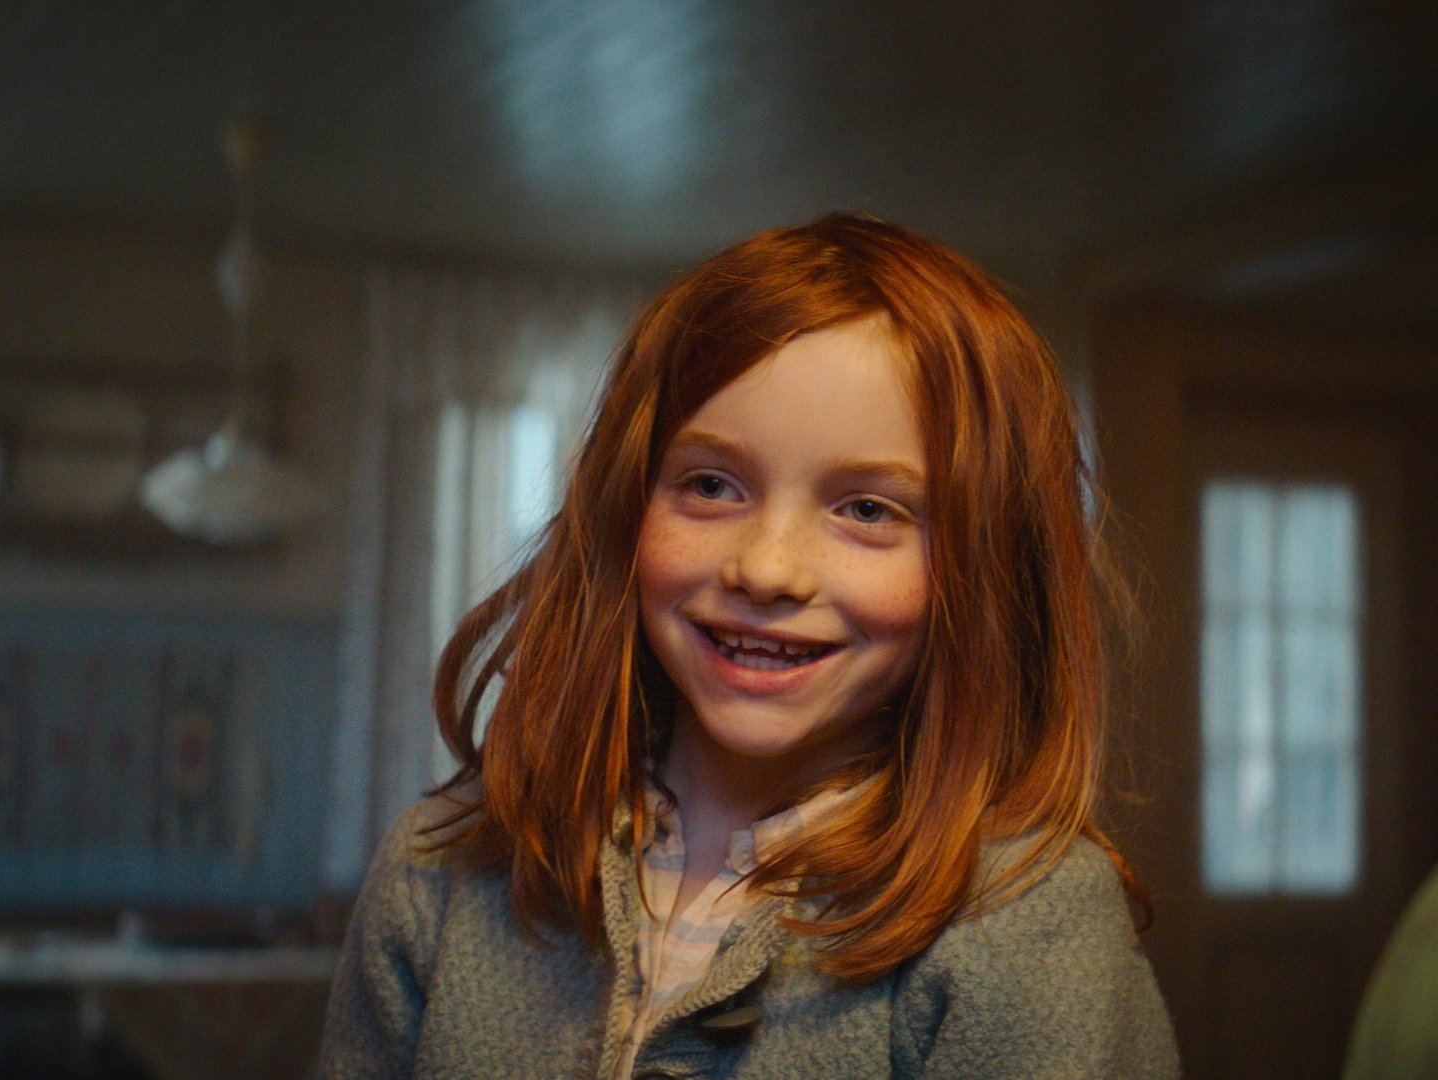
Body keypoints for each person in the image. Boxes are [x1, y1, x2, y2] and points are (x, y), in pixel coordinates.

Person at [319, 213, 1179, 1079]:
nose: (766, 569)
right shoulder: (441, 872)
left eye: (868, 509)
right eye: (710, 486)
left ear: (989, 570)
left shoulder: (1027, 920)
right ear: (625, 511)